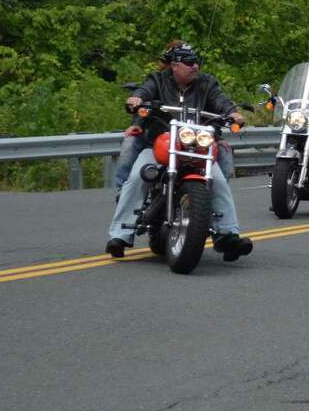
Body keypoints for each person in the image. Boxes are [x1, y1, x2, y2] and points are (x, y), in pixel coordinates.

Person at [107, 43, 252, 261]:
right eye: (189, 63)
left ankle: (228, 234)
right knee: (139, 176)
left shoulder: (207, 83)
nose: (195, 66)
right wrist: (137, 99)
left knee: (218, 181)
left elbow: (221, 100)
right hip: (159, 144)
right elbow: (145, 91)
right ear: (175, 66)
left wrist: (233, 113)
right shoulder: (158, 79)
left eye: (196, 62)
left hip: (197, 147)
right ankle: (120, 235)